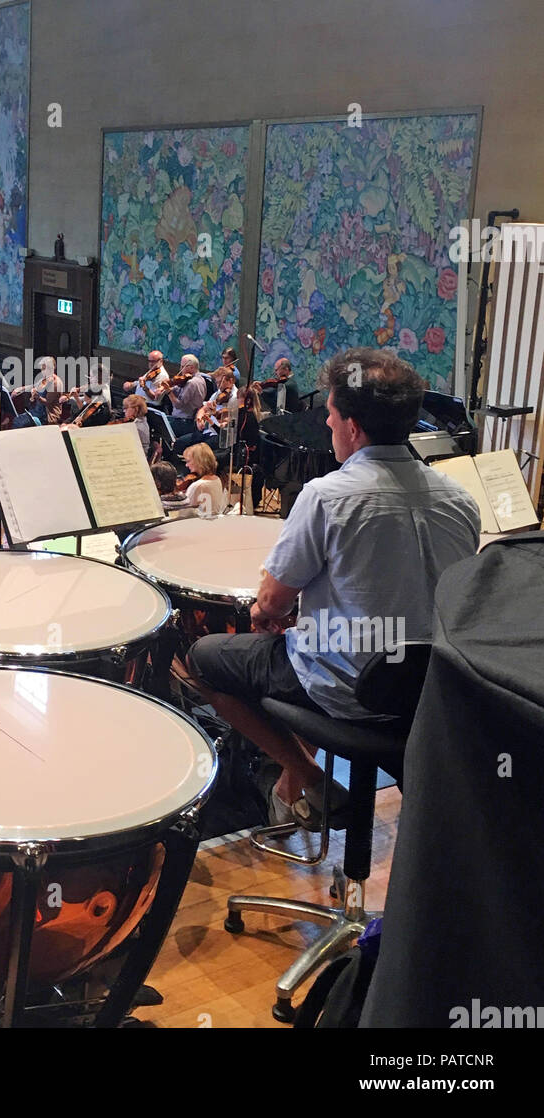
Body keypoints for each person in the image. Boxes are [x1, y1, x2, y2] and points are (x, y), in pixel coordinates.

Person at [177, 349, 482, 829]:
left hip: (346, 688)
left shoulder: (326, 495)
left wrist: (266, 616)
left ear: (354, 428)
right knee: (305, 643)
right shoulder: (461, 501)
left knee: (203, 659)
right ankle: (289, 790)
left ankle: (309, 778)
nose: (327, 427)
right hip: (426, 693)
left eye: (332, 417)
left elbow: (271, 603)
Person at [164, 354, 209, 439]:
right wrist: (169, 385)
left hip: (184, 422)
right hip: (181, 420)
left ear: (191, 368)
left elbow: (179, 405)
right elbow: (177, 389)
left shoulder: (192, 383)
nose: (180, 370)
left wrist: (169, 392)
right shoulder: (200, 379)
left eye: (182, 366)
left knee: (159, 426)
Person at [180, 443, 227, 516]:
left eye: (188, 461)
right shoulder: (217, 480)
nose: (186, 465)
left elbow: (184, 512)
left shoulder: (198, 486)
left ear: (199, 462)